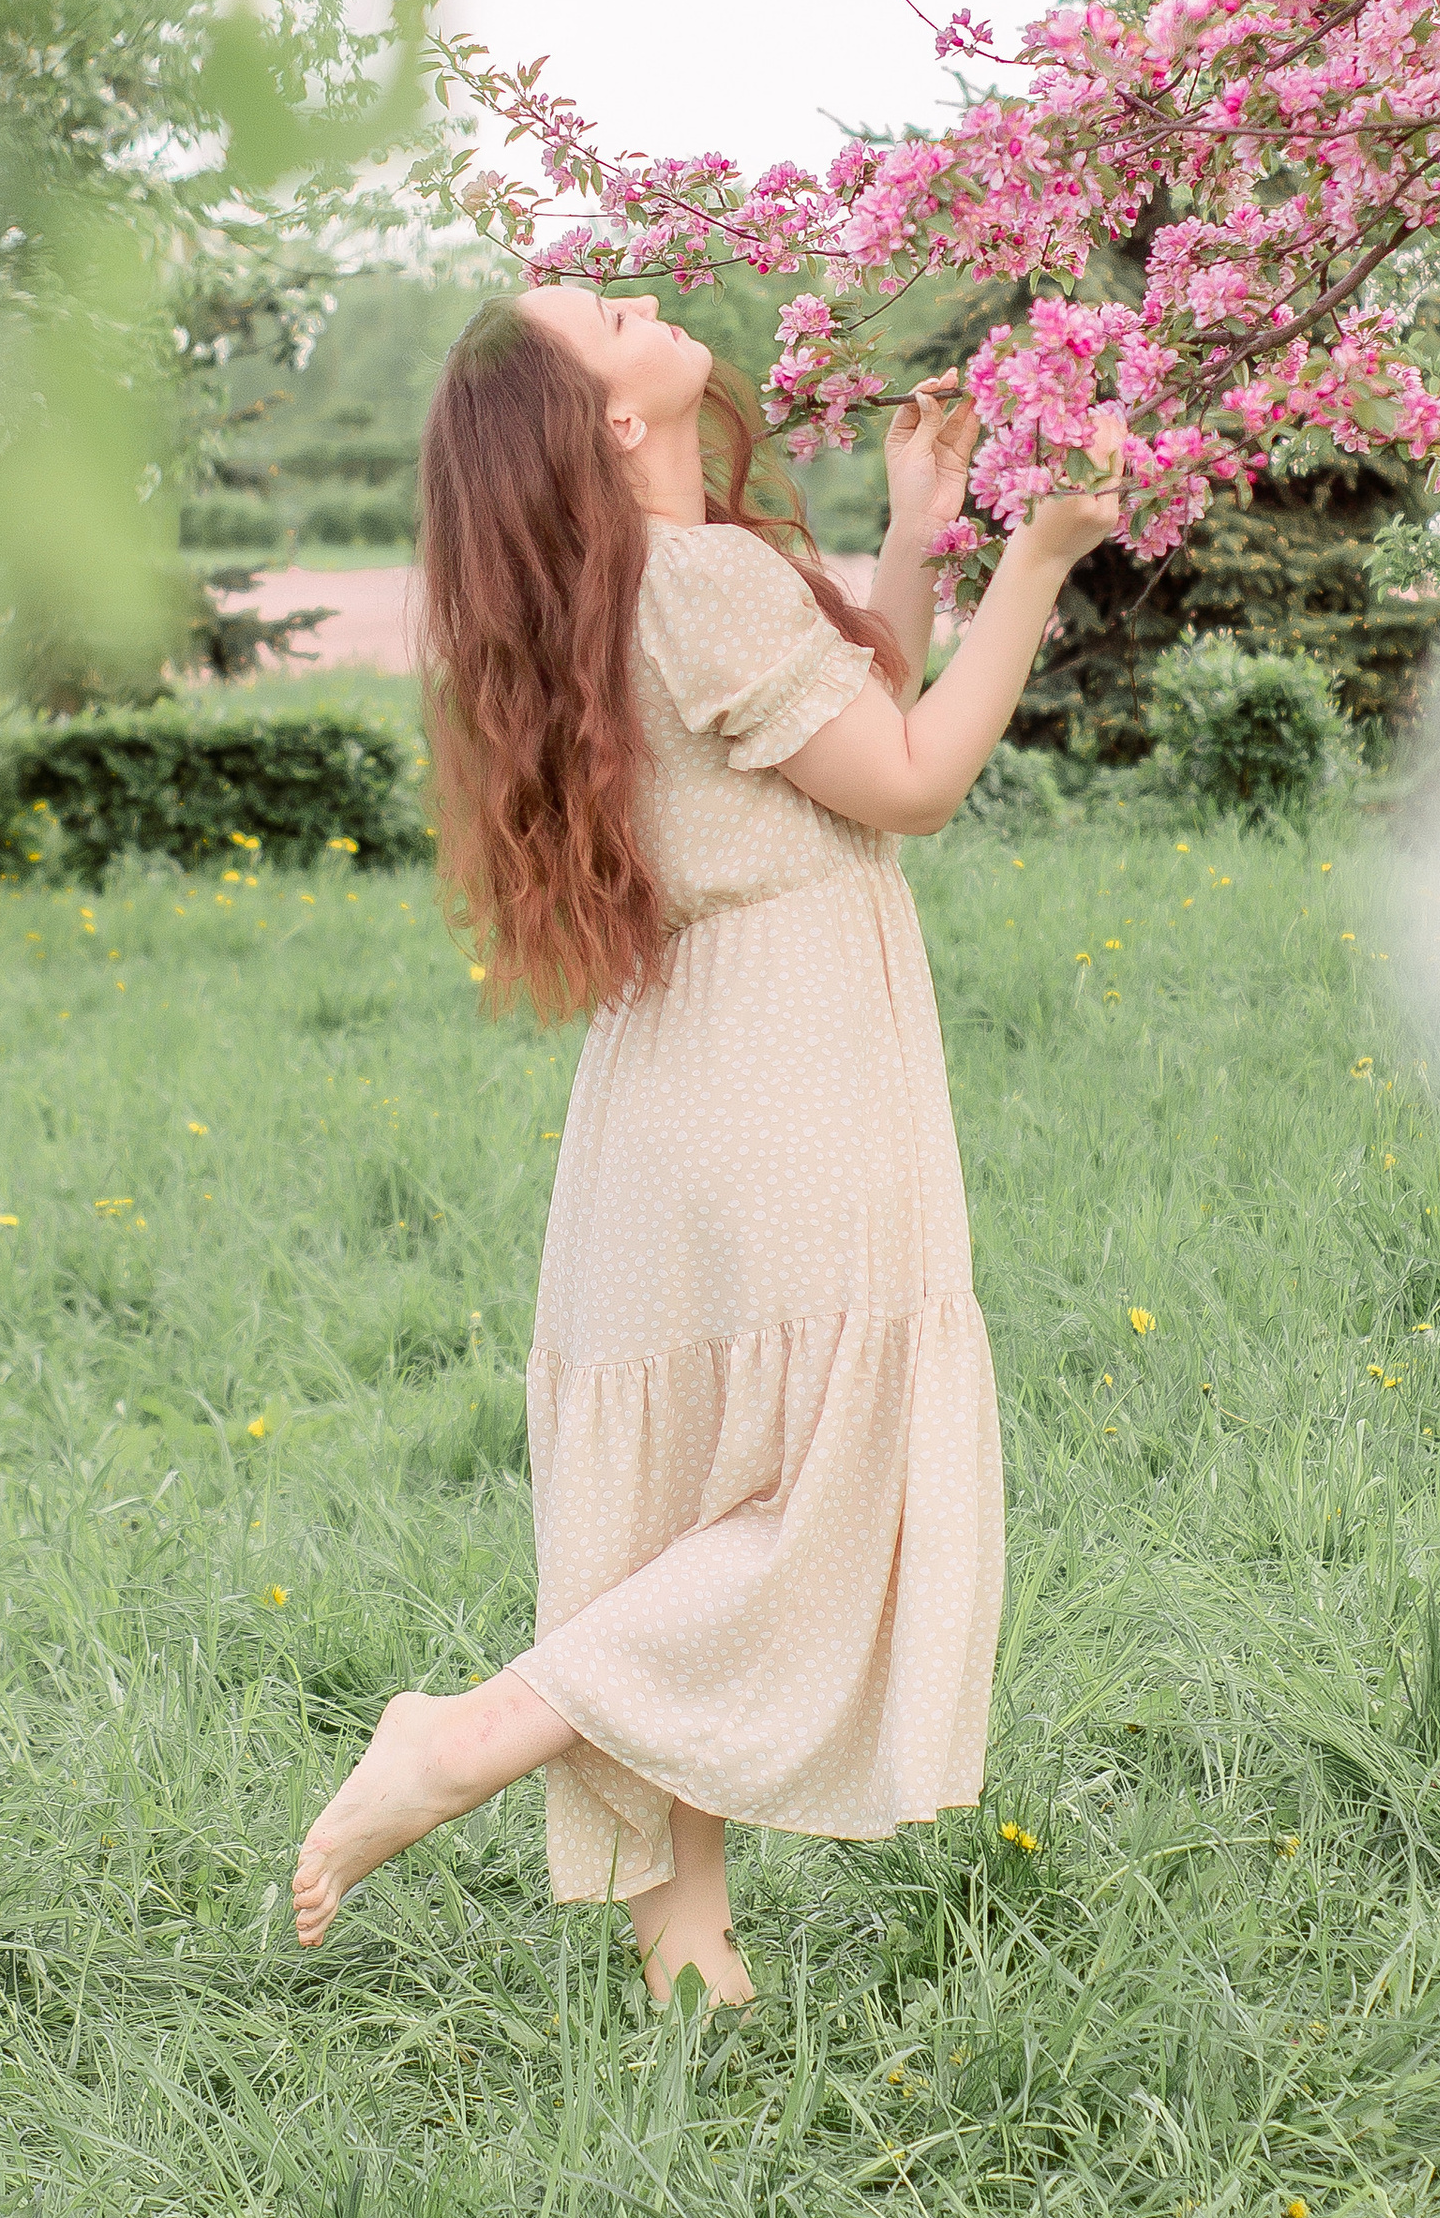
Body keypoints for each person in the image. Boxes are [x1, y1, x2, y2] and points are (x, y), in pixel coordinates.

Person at [289, 285, 1124, 2003]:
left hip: (676, 1074)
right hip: (789, 1060)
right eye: (603, 314)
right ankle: (472, 1735)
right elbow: (909, 779)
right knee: (813, 1489)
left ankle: (684, 1934)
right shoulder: (697, 579)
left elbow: (841, 730)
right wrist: (1038, 563)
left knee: (701, 1490)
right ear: (609, 419)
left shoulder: (634, 590)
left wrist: (916, 535)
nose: (640, 292)